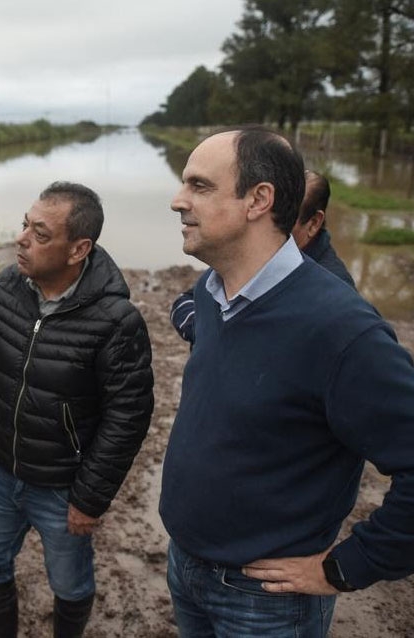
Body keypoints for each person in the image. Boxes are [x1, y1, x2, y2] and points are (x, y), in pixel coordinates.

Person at [160, 126, 414, 637]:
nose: (177, 200)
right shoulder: (212, 291)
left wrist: (346, 567)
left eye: (199, 185)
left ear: (259, 200)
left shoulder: (342, 330)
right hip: (185, 566)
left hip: (265, 601)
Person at [0, 182, 154, 638]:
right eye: (24, 225)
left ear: (78, 249)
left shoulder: (116, 321)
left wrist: (89, 498)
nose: (21, 239)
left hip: (63, 487)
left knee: (69, 582)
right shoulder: (7, 286)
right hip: (1, 469)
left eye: (40, 234)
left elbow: (127, 416)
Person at [170, 169, 354, 344]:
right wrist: (207, 331)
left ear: (313, 223)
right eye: (267, 212)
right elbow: (187, 300)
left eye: (286, 218)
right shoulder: (258, 255)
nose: (265, 224)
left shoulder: (336, 293)